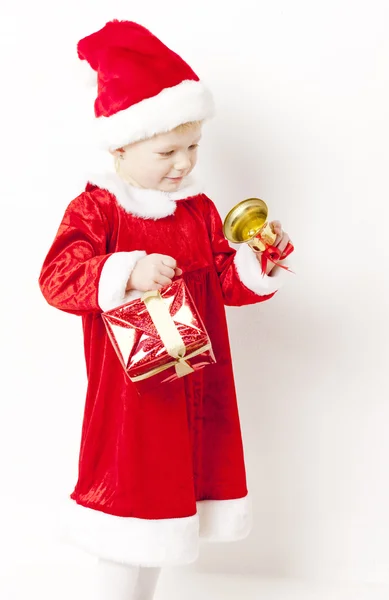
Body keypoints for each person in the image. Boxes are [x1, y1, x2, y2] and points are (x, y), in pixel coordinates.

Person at [38, 18, 293, 600]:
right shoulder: (98, 209)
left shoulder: (198, 209)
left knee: (166, 516)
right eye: (167, 150)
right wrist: (125, 270)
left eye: (193, 147)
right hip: (132, 400)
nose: (183, 163)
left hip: (194, 384)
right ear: (121, 144)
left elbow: (226, 278)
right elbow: (56, 278)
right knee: (129, 506)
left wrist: (258, 262)